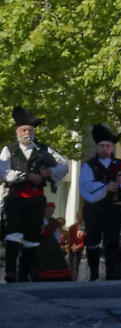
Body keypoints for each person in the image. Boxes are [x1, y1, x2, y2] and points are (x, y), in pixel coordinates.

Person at [2, 107, 70, 283]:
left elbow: (63, 166)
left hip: (36, 200)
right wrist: (25, 175)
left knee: (32, 238)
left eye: (30, 130)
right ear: (17, 132)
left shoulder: (44, 149)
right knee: (13, 234)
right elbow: (3, 172)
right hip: (16, 198)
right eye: (24, 130)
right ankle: (10, 272)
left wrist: (49, 171)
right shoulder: (9, 150)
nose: (28, 133)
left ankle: (25, 274)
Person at [78, 124, 121, 281]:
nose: (104, 149)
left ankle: (111, 274)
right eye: (101, 146)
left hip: (114, 209)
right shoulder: (89, 165)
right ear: (97, 147)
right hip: (93, 208)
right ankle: (94, 273)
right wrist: (105, 188)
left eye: (107, 145)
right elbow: (85, 187)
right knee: (93, 240)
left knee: (112, 241)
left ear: (112, 147)